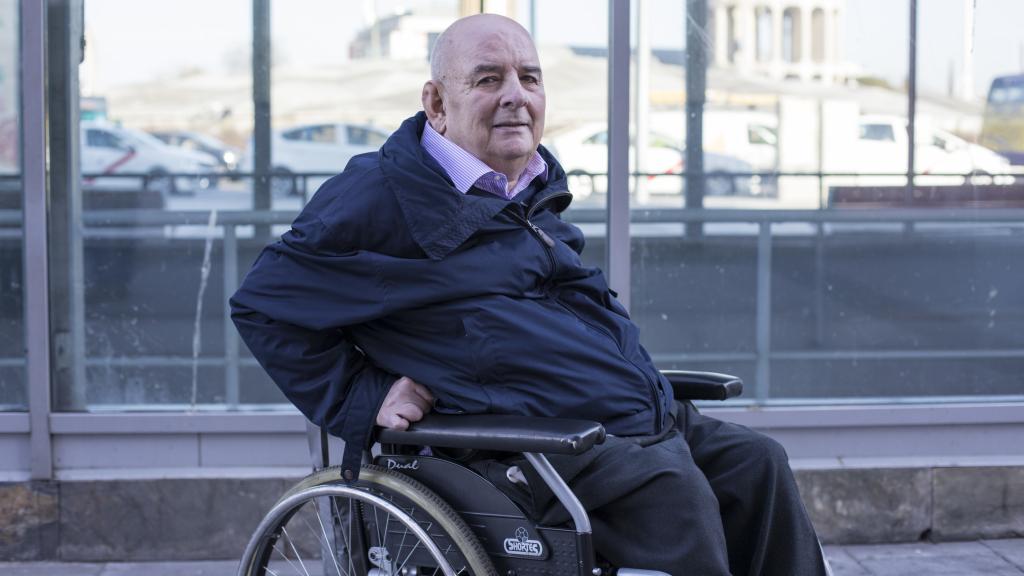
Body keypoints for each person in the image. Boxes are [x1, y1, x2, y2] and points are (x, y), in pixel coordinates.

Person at [231, 13, 827, 575]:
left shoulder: (526, 185)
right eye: (489, 79)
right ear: (437, 103)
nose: (516, 95)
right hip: (525, 450)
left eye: (530, 78)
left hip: (624, 421)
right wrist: (365, 395)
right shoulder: (381, 193)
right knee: (675, 492)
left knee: (757, 463)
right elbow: (262, 304)